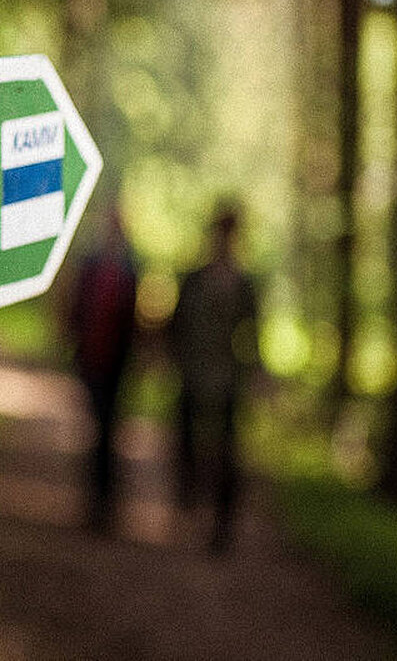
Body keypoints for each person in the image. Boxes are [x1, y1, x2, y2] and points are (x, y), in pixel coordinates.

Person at [169, 203, 260, 553]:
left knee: (227, 456)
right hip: (193, 377)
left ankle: (221, 528)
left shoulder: (244, 284)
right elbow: (178, 325)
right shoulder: (195, 279)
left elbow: (251, 333)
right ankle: (189, 509)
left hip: (226, 381)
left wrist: (253, 374)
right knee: (188, 448)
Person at [69, 208, 137, 531]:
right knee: (96, 429)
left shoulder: (129, 268)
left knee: (109, 431)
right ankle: (94, 501)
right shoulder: (91, 264)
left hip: (118, 364)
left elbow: (134, 319)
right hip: (91, 360)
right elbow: (76, 309)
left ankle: (106, 502)